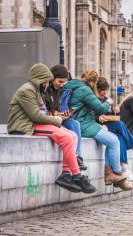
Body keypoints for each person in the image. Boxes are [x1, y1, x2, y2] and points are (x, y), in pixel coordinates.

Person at [7, 63, 96, 193]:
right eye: (46, 81)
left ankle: (66, 175)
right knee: (66, 137)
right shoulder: (27, 90)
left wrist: (55, 117)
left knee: (73, 135)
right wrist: (56, 120)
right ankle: (77, 176)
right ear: (40, 79)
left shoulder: (35, 90)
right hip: (25, 126)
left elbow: (41, 113)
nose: (47, 84)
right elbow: (35, 116)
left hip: (34, 123)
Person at [65, 70, 132, 190]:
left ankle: (112, 174)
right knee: (113, 141)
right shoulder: (85, 90)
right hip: (83, 123)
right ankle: (118, 173)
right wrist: (108, 102)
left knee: (113, 138)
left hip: (84, 121)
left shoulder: (80, 87)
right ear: (94, 83)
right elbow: (100, 108)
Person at [95, 77, 133, 182]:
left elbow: (109, 114)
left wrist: (114, 111)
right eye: (102, 90)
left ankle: (125, 168)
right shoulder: (93, 98)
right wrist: (99, 117)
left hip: (108, 124)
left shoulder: (105, 99)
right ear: (97, 89)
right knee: (119, 125)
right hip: (98, 125)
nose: (104, 93)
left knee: (120, 136)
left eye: (105, 90)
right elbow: (91, 115)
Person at [42, 64, 87, 171]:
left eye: (64, 82)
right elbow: (43, 112)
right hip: (47, 121)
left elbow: (55, 109)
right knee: (70, 135)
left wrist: (63, 114)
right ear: (52, 78)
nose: (62, 85)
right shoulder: (45, 90)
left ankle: (77, 155)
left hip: (55, 119)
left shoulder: (58, 90)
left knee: (74, 124)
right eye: (60, 82)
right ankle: (72, 165)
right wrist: (57, 115)